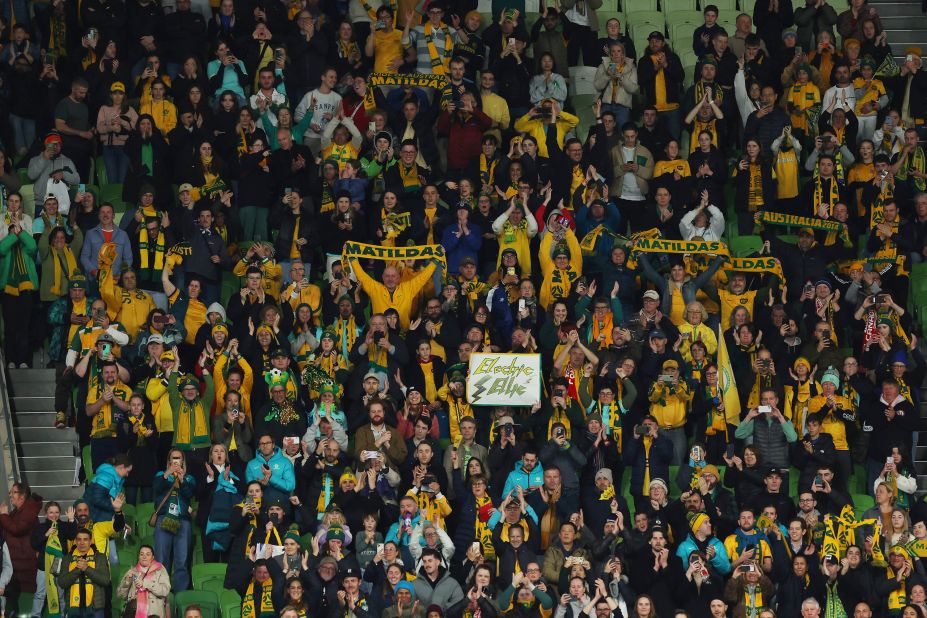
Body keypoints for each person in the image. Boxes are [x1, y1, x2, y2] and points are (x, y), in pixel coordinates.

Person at [152, 448, 196, 592]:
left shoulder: (189, 478)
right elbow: (157, 489)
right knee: (161, 559)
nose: (176, 460)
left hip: (183, 520)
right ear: (169, 460)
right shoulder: (161, 475)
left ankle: (180, 594)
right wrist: (167, 473)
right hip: (164, 517)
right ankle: (161, 593)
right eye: (173, 458)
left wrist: (182, 480)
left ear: (183, 461)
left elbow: (189, 494)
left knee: (182, 561)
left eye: (179, 458)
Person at [115, 545, 171, 618]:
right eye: (142, 554)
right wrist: (127, 581)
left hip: (153, 614)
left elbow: (165, 591)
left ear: (152, 557)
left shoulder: (160, 570)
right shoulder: (133, 571)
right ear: (138, 556)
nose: (144, 557)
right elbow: (120, 595)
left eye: (148, 554)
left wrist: (145, 583)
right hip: (132, 613)